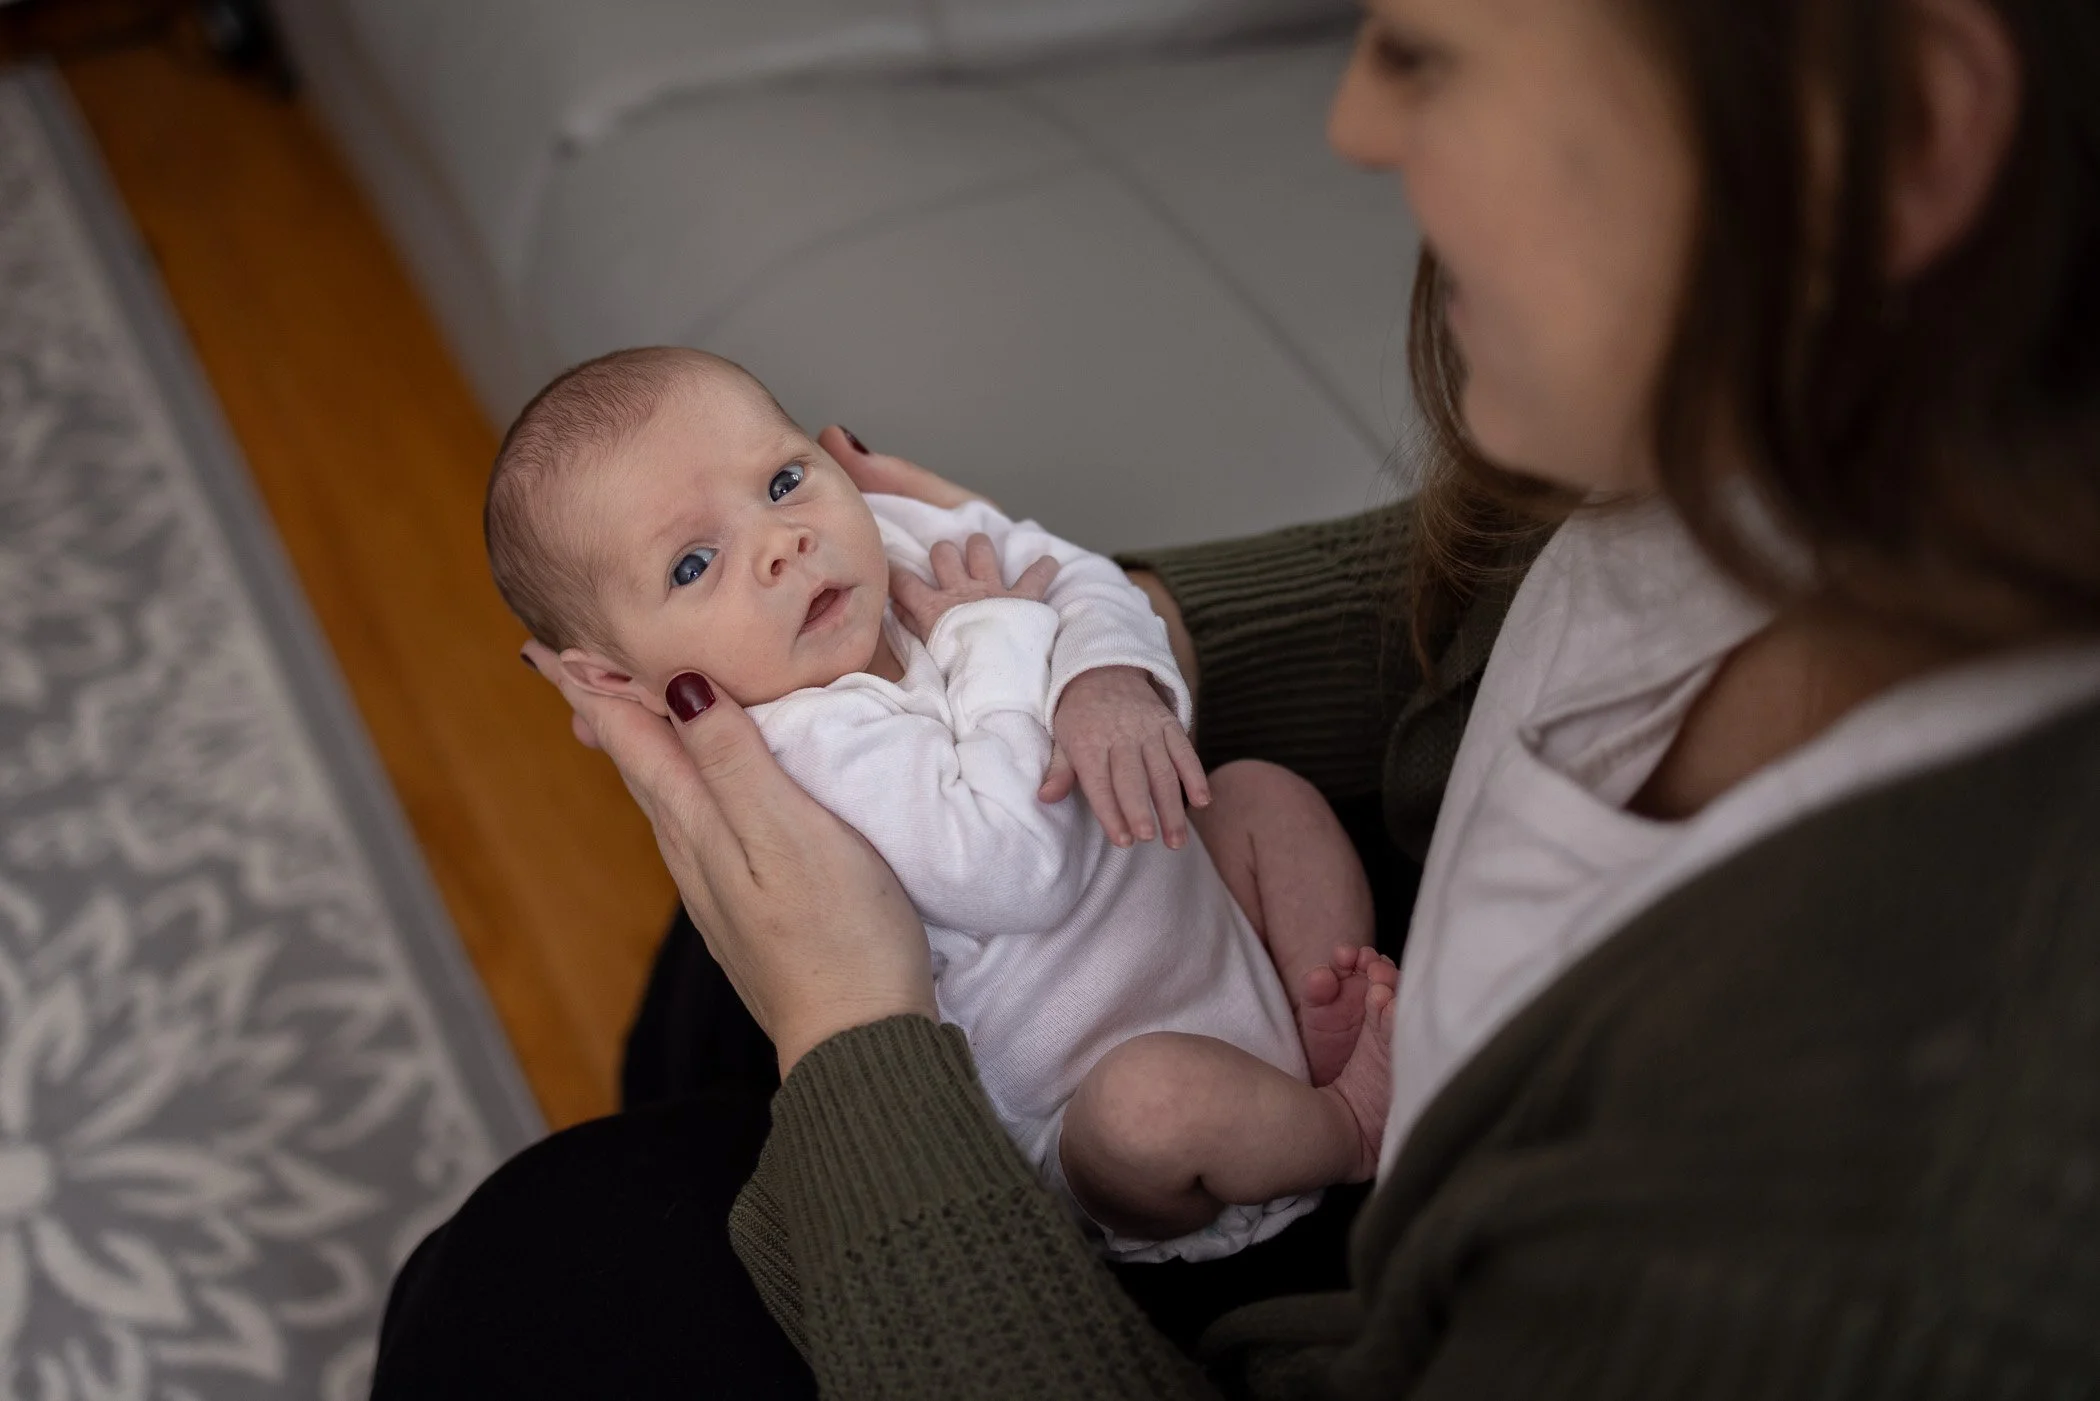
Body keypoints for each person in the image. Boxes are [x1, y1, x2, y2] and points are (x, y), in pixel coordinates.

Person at [372, 0, 2100, 1395]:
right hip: (1149, 956)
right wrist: (1100, 632)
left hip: (1261, 1231)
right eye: (691, 565)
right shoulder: (1786, 439)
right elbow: (1465, 597)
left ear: (1892, 138)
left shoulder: (1909, 1223)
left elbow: (1027, 811)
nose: (1352, 120)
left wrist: (850, 1020)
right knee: (692, 1007)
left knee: (519, 1288)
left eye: (1432, 48)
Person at [478, 346, 1398, 1263]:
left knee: (1262, 798)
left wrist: (1108, 676)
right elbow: (1011, 868)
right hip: (1091, 1092)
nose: (781, 541)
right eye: (693, 565)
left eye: (785, 477)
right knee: (1148, 1109)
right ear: (613, 676)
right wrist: (988, 632)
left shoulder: (888, 538)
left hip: (1212, 922)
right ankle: (1343, 1125)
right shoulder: (796, 754)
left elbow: (1075, 574)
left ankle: (1322, 1013)